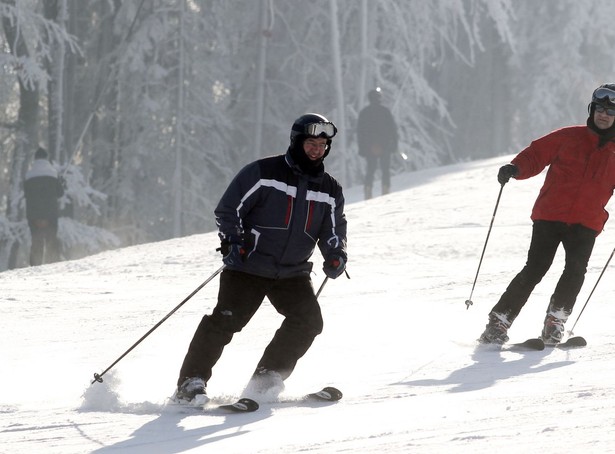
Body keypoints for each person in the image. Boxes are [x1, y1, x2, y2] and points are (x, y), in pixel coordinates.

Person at [173, 113, 348, 404]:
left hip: (292, 273)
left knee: (308, 321)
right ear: (296, 141)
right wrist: (232, 240)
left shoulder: (329, 189)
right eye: (311, 143)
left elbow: (333, 227)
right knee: (225, 322)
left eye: (323, 144)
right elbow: (229, 210)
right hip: (249, 265)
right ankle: (191, 382)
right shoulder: (264, 172)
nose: (317, 149)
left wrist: (335, 253)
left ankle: (266, 378)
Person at [479, 83, 615, 346]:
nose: (604, 115)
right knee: (536, 268)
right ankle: (498, 323)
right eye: (600, 109)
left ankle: (555, 321)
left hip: (586, 222)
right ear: (592, 110)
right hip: (550, 215)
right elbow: (536, 155)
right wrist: (515, 168)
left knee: (575, 270)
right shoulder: (569, 137)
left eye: (610, 112)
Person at [24, 147, 64, 266]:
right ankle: (54, 263)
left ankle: (35, 266)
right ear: (47, 158)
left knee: (36, 241)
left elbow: (26, 193)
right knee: (51, 239)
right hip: (50, 214)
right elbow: (60, 193)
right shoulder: (53, 174)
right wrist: (61, 182)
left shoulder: (29, 176)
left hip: (34, 215)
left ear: (35, 159)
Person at [357, 87, 399, 199]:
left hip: (369, 146)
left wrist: (362, 148)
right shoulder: (385, 111)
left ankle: (368, 190)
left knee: (370, 169)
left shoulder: (364, 113)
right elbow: (393, 130)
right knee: (385, 168)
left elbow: (360, 132)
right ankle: (386, 189)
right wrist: (395, 144)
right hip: (385, 145)